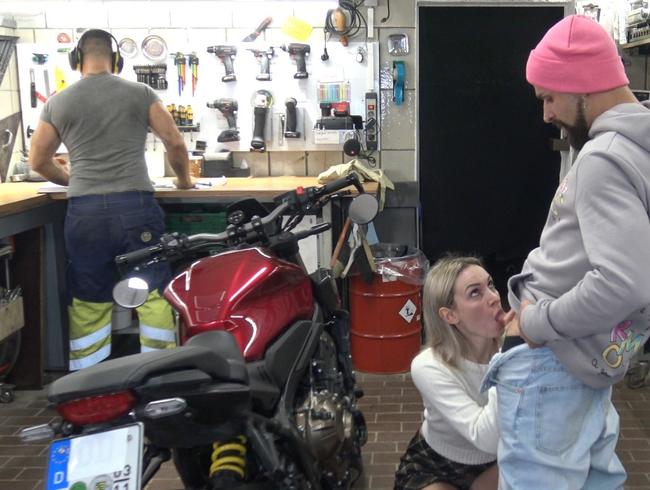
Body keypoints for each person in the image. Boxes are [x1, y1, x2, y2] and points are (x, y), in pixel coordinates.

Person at [481, 15, 650, 489]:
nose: (546, 114)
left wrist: (537, 322)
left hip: (554, 362)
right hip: (587, 360)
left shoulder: (604, 158)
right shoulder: (639, 150)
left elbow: (623, 283)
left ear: (583, 86)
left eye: (549, 98)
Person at [29, 29, 196, 370]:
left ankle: (89, 384)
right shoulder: (140, 93)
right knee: (151, 293)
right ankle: (161, 377)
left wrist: (73, 180)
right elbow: (175, 142)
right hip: (135, 209)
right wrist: (184, 181)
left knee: (90, 298)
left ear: (77, 60)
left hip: (85, 213)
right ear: (116, 60)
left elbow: (38, 161)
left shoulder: (59, 102)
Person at [395, 255, 506, 490]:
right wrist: (509, 359)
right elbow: (483, 436)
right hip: (437, 464)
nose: (495, 298)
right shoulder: (428, 365)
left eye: (491, 285)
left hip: (501, 457)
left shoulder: (514, 346)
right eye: (475, 293)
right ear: (449, 315)